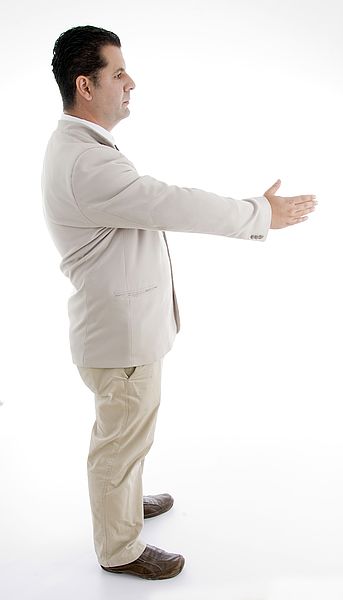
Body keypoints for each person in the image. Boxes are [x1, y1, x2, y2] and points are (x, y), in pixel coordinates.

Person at [41, 25, 317, 581]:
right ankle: (119, 548)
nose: (131, 82)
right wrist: (259, 214)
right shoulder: (86, 161)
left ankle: (123, 499)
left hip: (124, 331)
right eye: (118, 73)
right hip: (119, 338)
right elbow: (172, 205)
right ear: (85, 86)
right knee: (119, 438)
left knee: (130, 429)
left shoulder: (83, 149)